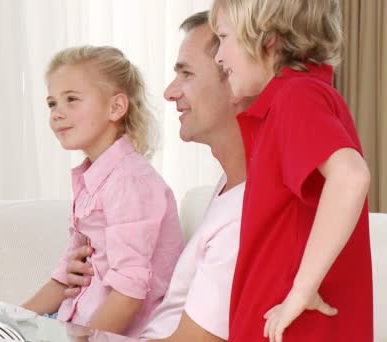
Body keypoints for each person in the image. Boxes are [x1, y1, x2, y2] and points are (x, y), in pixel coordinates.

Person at [63, 12, 250, 341]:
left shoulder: (245, 214)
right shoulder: (228, 188)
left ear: (235, 78)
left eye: (186, 74)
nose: (169, 92)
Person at [210, 1, 373, 341]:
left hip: (294, 329)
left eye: (223, 37)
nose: (218, 57)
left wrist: (301, 290)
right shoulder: (297, 97)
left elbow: (350, 177)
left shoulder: (296, 97)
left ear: (268, 38)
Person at [21, 45, 184, 338]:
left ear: (115, 108)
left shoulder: (131, 182)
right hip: (78, 326)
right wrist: (7, 321)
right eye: (52, 103)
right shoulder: (91, 181)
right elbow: (65, 278)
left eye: (71, 100)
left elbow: (130, 290)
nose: (57, 113)